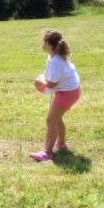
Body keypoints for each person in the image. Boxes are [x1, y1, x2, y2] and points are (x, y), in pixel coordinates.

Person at [30, 30, 81, 162]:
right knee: (56, 118)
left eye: (43, 41)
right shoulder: (54, 56)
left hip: (67, 93)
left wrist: (40, 82)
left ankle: (46, 152)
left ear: (48, 44)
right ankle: (61, 144)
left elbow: (51, 84)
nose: (41, 44)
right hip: (71, 91)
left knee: (51, 120)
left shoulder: (55, 61)